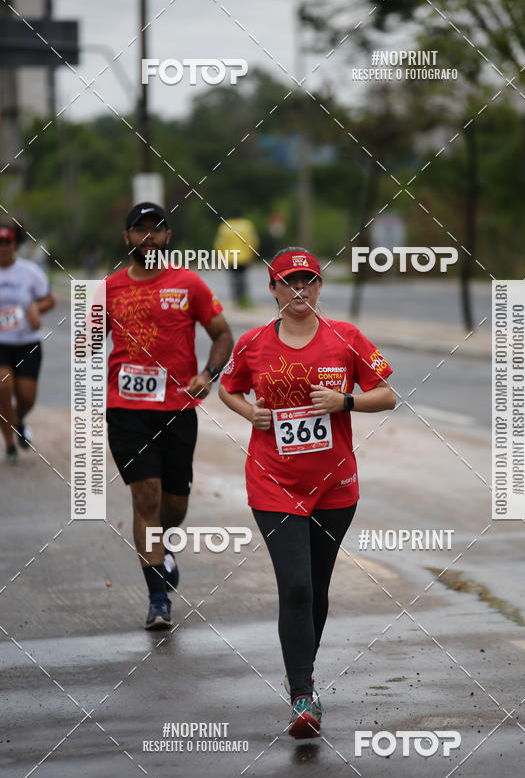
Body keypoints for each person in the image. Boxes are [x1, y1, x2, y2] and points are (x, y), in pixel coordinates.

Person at [218, 247, 395, 738]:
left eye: (308, 281)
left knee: (316, 591)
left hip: (335, 486)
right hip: (272, 482)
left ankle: (305, 679)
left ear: (319, 287)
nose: (300, 290)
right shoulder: (253, 343)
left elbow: (388, 394)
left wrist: (347, 401)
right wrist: (246, 412)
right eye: (289, 282)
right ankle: (302, 693)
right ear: (273, 289)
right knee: (295, 585)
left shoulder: (347, 338)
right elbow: (226, 387)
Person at [105, 202, 233, 629]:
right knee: (146, 497)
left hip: (177, 409)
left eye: (156, 230)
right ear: (127, 239)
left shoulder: (189, 283)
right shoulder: (108, 289)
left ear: (168, 237)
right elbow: (85, 347)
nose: (148, 237)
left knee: (173, 504)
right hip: (125, 410)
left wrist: (208, 373)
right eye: (139, 230)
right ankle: (158, 598)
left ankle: (162, 543)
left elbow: (222, 334)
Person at [0, 223, 55, 461]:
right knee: (2, 388)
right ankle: (10, 443)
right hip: (1, 342)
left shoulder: (30, 272)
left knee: (26, 396)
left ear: (14, 245)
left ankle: (19, 420)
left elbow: (49, 300)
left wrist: (36, 307)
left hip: (27, 342)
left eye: (7, 243)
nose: (3, 248)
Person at [213, 212, 259, 307]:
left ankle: (236, 299)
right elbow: (253, 240)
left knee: (233, 278)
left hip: (230, 257)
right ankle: (244, 298)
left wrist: (219, 256)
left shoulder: (225, 226)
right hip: (245, 256)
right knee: (243, 277)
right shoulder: (247, 225)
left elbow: (219, 243)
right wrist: (253, 254)